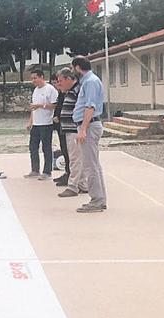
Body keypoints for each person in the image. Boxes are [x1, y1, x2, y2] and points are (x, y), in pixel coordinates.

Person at [71, 56, 107, 213]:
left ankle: (97, 200)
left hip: (90, 125)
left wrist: (83, 129)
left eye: (73, 68)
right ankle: (100, 198)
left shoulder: (90, 81)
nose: (73, 71)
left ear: (78, 67)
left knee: (89, 165)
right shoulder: (88, 80)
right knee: (94, 164)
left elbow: (90, 106)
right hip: (90, 124)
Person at [56, 68, 88, 198]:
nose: (59, 84)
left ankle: (73, 186)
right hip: (70, 130)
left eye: (61, 81)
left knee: (75, 159)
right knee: (76, 158)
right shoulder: (71, 90)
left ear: (69, 79)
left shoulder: (77, 90)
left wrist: (81, 128)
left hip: (75, 130)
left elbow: (83, 109)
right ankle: (81, 184)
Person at [25, 69, 58, 180]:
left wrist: (41, 105)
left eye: (35, 78)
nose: (33, 80)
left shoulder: (50, 89)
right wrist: (30, 122)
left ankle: (47, 171)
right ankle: (35, 170)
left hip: (46, 123)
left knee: (46, 147)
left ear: (42, 77)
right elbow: (33, 108)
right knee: (33, 147)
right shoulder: (35, 90)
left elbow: (55, 105)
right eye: (32, 78)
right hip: (36, 123)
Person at [51, 74, 70, 187]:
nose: (56, 85)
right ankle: (67, 172)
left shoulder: (66, 93)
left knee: (68, 151)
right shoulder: (60, 93)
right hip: (59, 126)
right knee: (63, 149)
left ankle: (70, 174)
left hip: (65, 125)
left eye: (58, 82)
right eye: (54, 83)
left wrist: (59, 117)